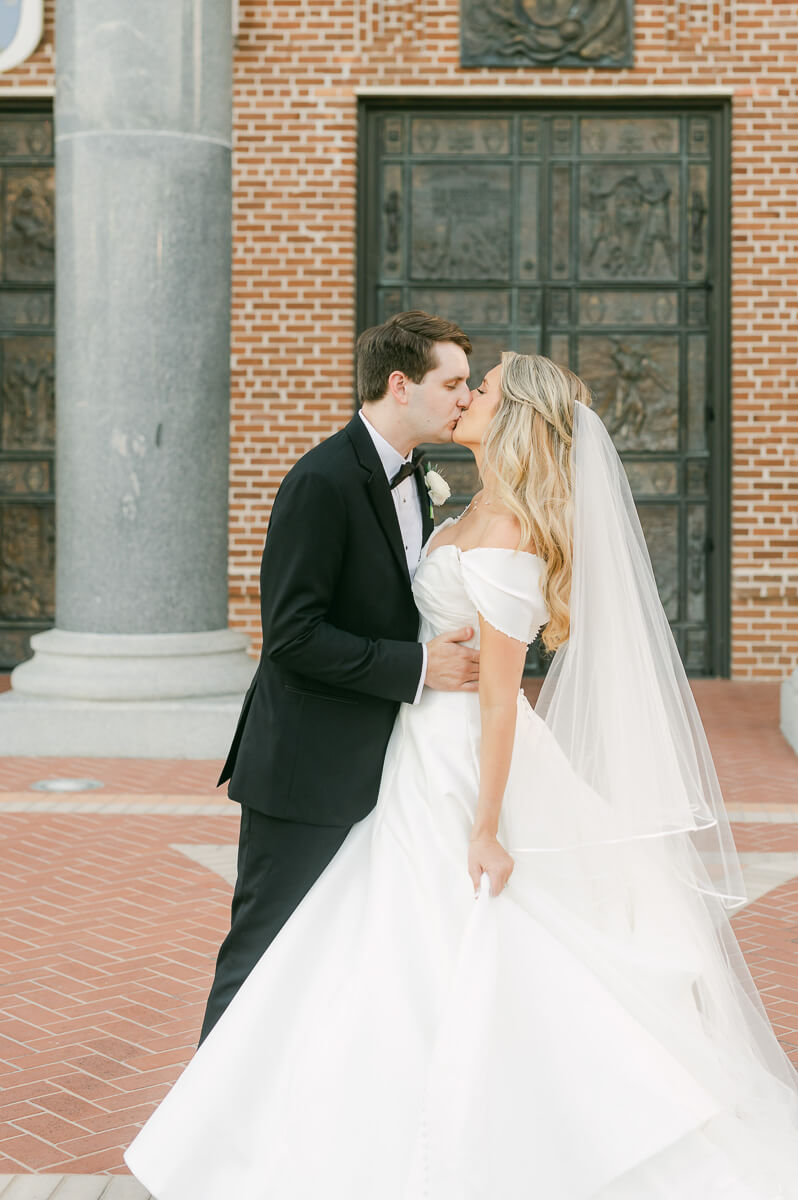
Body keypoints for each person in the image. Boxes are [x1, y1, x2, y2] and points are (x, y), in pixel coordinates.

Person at [127, 353, 798, 1197]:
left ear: (511, 415)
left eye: (481, 388)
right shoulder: (466, 502)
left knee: (458, 940)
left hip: (462, 766)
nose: (468, 394)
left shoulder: (512, 528)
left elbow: (501, 699)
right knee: (377, 936)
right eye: (463, 382)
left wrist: (485, 825)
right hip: (411, 748)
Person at [198, 310, 479, 1043]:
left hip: (379, 763)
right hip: (304, 767)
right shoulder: (321, 480)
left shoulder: (417, 479)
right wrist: (420, 666)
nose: (464, 397)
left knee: (329, 957)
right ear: (400, 383)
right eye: (452, 383)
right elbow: (291, 636)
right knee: (262, 952)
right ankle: (196, 1137)